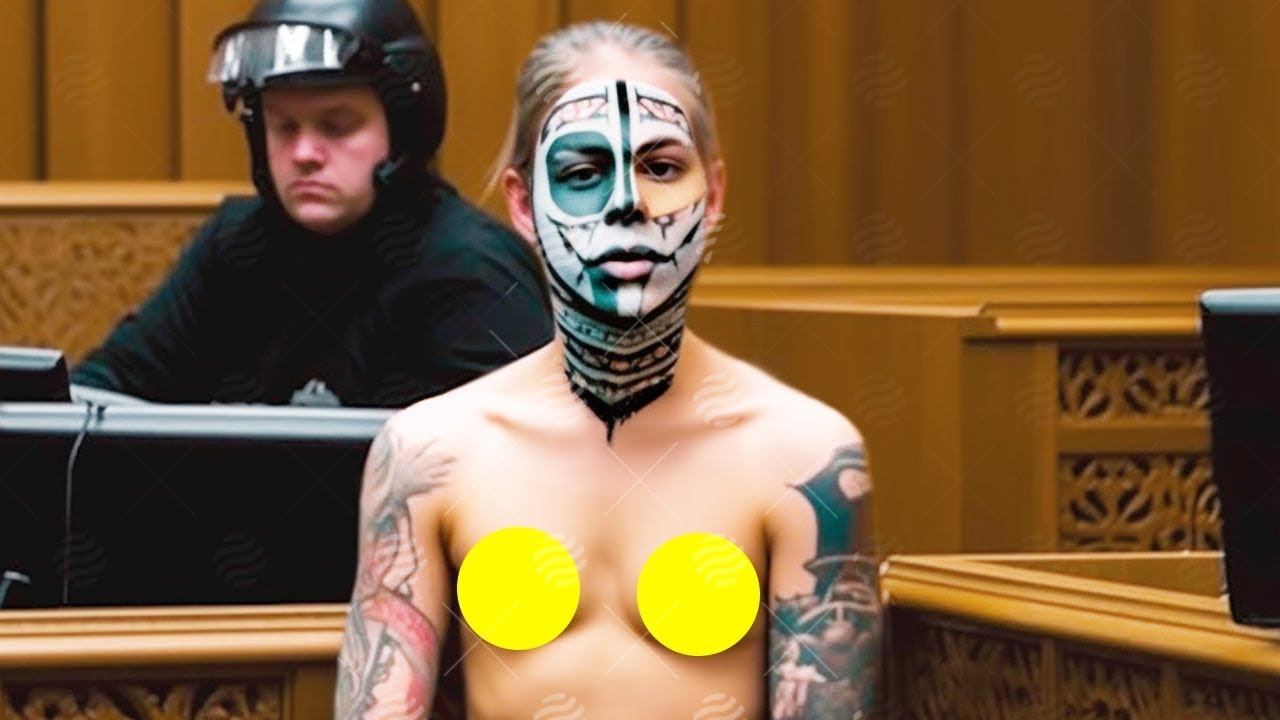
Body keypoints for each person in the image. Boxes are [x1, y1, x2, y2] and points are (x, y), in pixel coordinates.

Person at [336, 21, 881, 720]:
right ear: (524, 203)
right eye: (582, 173)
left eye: (661, 168)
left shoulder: (805, 458)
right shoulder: (428, 455)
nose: (627, 202)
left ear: (714, 195)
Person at [70, 0, 552, 408]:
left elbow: (518, 466)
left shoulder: (472, 272)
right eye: (284, 126)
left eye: (336, 126)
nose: (304, 153)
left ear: (403, 129)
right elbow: (107, 387)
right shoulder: (237, 245)